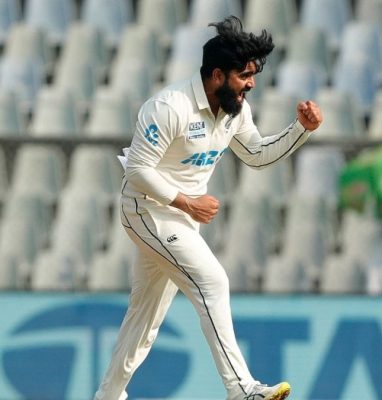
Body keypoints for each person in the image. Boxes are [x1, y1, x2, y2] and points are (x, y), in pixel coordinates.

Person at [94, 16, 322, 400]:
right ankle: (242, 389)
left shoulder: (236, 110)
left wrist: (301, 129)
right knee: (212, 282)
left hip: (182, 218)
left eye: (253, 76)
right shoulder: (169, 107)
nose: (251, 84)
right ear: (217, 75)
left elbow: (256, 154)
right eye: (244, 75)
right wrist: (187, 202)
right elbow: (137, 171)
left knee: (145, 321)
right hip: (146, 210)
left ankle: (108, 396)